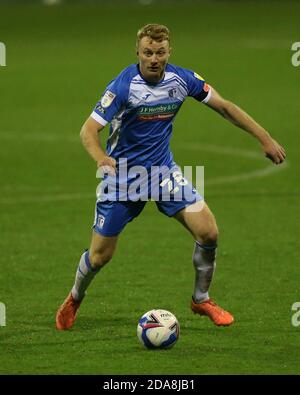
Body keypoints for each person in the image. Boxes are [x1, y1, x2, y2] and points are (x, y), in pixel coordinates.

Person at [56, 23, 286, 330]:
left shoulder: (183, 79)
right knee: (99, 257)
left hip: (164, 174)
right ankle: (74, 297)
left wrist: (265, 138)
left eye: (160, 52)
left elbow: (225, 107)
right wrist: (102, 159)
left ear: (169, 52)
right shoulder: (123, 86)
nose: (154, 58)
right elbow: (88, 130)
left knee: (209, 232)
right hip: (124, 179)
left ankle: (201, 299)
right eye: (148, 52)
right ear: (137, 52)